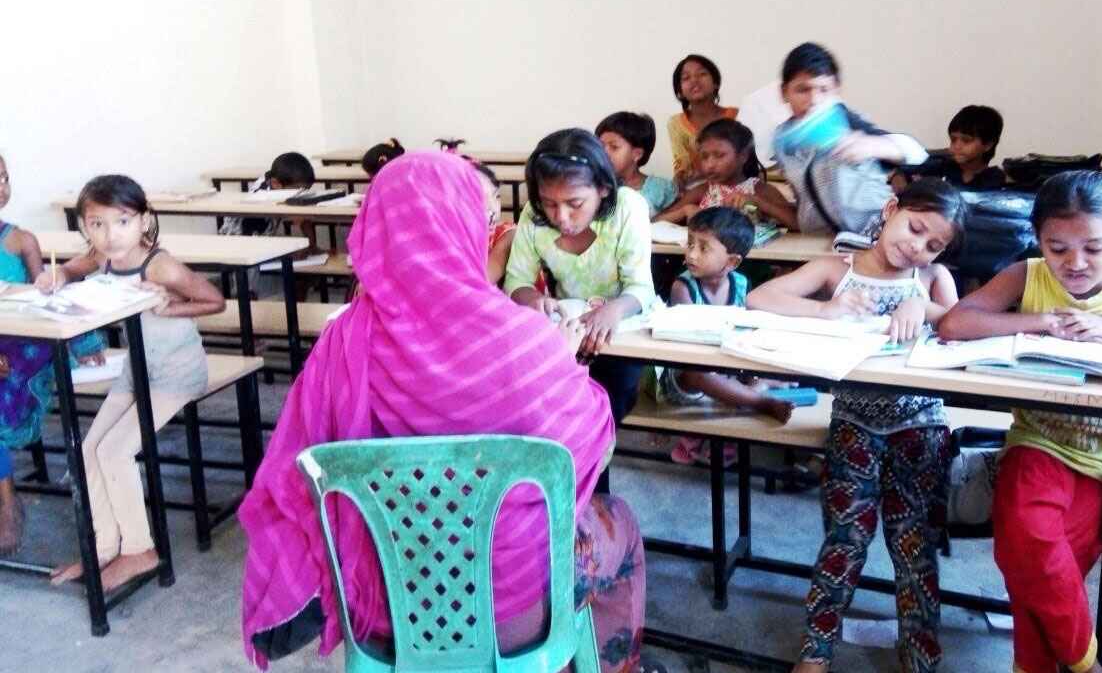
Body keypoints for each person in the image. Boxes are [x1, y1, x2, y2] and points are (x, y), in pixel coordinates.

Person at [239, 152, 647, 673]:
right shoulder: (524, 340)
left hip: (384, 602)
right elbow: (590, 442)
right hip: (514, 612)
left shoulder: (343, 341)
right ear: (465, 227)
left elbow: (300, 470)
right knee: (623, 524)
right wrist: (565, 363)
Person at [938, 171, 1102, 673]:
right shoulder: (1029, 276)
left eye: (1093, 247)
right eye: (1057, 247)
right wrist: (1043, 321)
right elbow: (956, 323)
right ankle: (1087, 665)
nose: (1075, 263)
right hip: (1039, 439)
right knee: (1029, 540)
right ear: (1039, 241)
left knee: (1046, 568)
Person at [747, 179, 968, 673]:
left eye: (933, 244)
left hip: (920, 427)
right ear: (890, 209)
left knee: (914, 547)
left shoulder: (932, 279)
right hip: (854, 425)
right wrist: (825, 309)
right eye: (913, 228)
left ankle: (920, 654)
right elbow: (761, 298)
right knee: (845, 540)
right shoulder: (836, 269)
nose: (917, 246)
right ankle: (816, 651)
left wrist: (923, 308)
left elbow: (960, 326)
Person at [37, 174, 224, 590]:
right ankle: (105, 549)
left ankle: (139, 549)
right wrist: (59, 277)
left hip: (177, 372)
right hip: (136, 369)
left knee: (116, 451)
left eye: (122, 222)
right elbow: (72, 266)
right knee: (89, 450)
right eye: (96, 224)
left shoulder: (159, 263)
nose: (110, 235)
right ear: (84, 226)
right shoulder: (101, 257)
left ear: (143, 221)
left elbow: (215, 300)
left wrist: (168, 304)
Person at [504, 128, 656, 423]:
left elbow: (641, 288)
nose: (560, 217)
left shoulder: (628, 207)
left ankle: (594, 451)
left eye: (575, 204)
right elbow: (516, 280)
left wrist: (611, 312)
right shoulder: (532, 217)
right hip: (565, 331)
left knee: (610, 400)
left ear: (603, 189)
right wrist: (533, 297)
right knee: (542, 401)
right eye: (549, 203)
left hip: (622, 330)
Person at [0, 153, 105, 556]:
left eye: (5, 177)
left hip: (22, 343)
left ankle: (7, 500)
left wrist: (84, 342)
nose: (2, 186)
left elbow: (50, 296)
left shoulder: (21, 240)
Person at [659, 207, 794, 464]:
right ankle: (759, 401)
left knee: (766, 361)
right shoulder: (682, 287)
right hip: (688, 374)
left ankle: (753, 388)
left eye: (703, 248)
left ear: (732, 262)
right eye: (690, 244)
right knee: (700, 373)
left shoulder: (741, 285)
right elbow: (690, 346)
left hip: (728, 361)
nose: (691, 254)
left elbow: (747, 328)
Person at [773, 42, 928, 236]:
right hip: (819, 241)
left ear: (836, 90)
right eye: (802, 89)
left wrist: (875, 146)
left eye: (823, 89)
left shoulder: (848, 122)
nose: (813, 100)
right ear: (784, 92)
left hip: (871, 237)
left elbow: (917, 153)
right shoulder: (782, 138)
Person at [656, 119, 798, 231]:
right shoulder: (703, 191)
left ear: (743, 156)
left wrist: (759, 203)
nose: (710, 164)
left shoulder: (759, 190)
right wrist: (684, 211)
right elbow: (655, 221)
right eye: (704, 157)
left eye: (719, 155)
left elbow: (796, 223)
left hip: (752, 264)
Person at [668, 54, 738, 188]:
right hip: (698, 189)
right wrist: (679, 179)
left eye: (702, 74)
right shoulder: (676, 123)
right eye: (686, 78)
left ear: (715, 83)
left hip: (736, 185)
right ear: (680, 92)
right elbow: (681, 166)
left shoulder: (736, 115)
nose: (694, 80)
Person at [898, 105, 1006, 191]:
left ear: (987, 145)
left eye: (966, 140)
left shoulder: (994, 178)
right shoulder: (941, 166)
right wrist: (897, 176)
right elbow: (902, 166)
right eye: (953, 140)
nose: (957, 146)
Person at [596, 111, 678, 213]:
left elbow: (675, 225)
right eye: (601, 146)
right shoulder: (595, 187)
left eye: (614, 147)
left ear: (637, 154)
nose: (604, 152)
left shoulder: (661, 189)